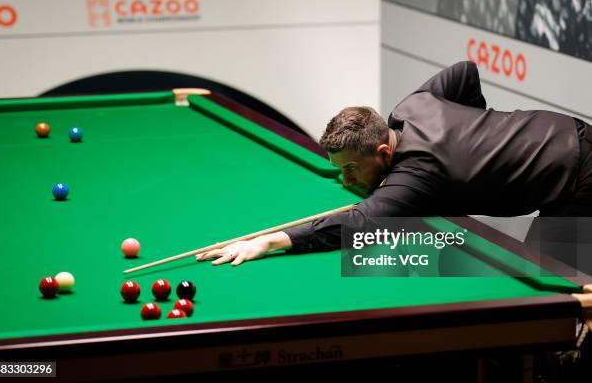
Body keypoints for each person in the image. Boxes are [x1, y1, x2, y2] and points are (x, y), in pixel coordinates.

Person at [197, 61, 592, 271]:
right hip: (561, 128)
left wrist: (270, 241)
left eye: (352, 168)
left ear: (384, 154)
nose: (345, 178)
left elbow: (358, 224)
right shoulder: (408, 110)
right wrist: (474, 131)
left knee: (557, 282)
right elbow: (465, 71)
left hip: (580, 172)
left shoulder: (415, 175)